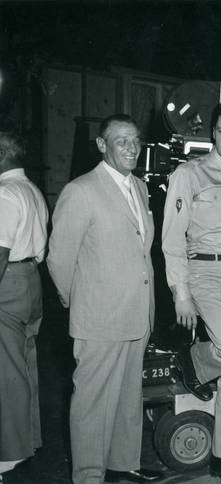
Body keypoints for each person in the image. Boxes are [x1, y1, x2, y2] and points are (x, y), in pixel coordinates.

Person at [47, 114, 162, 483]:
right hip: (99, 316)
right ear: (102, 145)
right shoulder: (81, 190)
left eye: (135, 140)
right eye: (121, 141)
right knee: (92, 403)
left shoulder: (140, 187)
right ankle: (89, 475)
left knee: (129, 396)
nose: (131, 148)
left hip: (137, 314)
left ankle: (122, 464)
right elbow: (59, 258)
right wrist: (78, 302)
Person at [162, 102, 221, 484]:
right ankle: (193, 361)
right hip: (206, 271)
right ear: (212, 133)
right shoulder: (189, 174)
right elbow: (171, 236)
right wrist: (179, 291)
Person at [0, 133, 48, 481]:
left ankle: (8, 454)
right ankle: (28, 443)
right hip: (32, 280)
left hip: (9, 282)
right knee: (25, 367)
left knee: (6, 374)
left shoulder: (3, 194)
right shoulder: (31, 190)